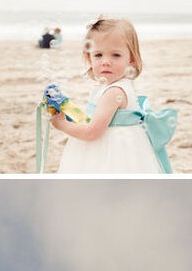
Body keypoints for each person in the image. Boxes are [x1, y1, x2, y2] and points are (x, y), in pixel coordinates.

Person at [53, 18, 173, 174]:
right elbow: (95, 118)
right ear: (89, 58)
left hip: (111, 154)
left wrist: (61, 124)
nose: (106, 62)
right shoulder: (115, 85)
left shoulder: (114, 92)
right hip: (121, 147)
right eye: (98, 55)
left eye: (115, 55)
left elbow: (92, 132)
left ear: (131, 59)